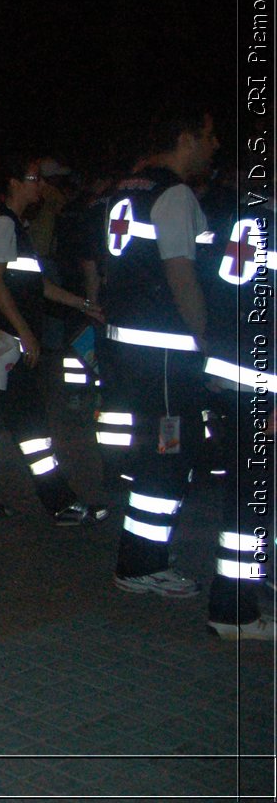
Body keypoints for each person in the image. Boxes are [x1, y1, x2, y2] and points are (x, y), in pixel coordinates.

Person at [99, 108, 219, 597]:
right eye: (210, 137)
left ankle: (141, 554)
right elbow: (181, 273)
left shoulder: (124, 191)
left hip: (130, 349)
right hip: (167, 353)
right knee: (169, 452)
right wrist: (205, 338)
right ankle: (141, 563)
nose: (215, 148)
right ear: (185, 139)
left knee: (155, 449)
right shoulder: (173, 194)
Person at [0, 157, 108, 524]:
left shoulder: (12, 225)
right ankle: (55, 502)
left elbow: (34, 285)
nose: (40, 185)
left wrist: (82, 304)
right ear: (13, 183)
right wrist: (24, 332)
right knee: (21, 424)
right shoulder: (3, 223)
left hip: (1, 346)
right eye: (33, 178)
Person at [199, 189, 274, 638]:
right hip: (264, 386)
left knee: (246, 496)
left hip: (234, 378)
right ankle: (234, 612)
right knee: (251, 503)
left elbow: (218, 293)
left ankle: (241, 600)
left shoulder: (242, 220)